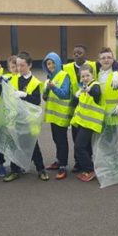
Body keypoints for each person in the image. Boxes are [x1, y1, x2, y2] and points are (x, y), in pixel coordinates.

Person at [3, 52, 49, 182]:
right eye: (17, 65)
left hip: (30, 121)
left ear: (29, 65)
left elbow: (36, 102)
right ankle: (15, 170)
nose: (19, 68)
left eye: (22, 65)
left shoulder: (35, 82)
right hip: (16, 119)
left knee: (33, 145)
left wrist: (24, 95)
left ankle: (41, 169)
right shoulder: (12, 79)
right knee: (15, 145)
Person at [63, 45, 97, 173]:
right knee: (75, 139)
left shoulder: (93, 65)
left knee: (84, 143)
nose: (77, 54)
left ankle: (88, 166)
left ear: (86, 54)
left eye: (80, 52)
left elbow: (112, 62)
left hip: (88, 112)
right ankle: (79, 163)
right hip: (75, 110)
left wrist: (116, 71)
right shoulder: (67, 67)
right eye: (75, 52)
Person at [69, 64, 103, 182]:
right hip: (82, 122)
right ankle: (87, 169)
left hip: (90, 124)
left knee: (79, 147)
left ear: (92, 75)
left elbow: (96, 93)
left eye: (87, 75)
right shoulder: (83, 87)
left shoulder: (95, 85)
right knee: (85, 147)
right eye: (82, 76)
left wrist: (89, 90)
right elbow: (73, 103)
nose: (85, 78)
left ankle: (90, 170)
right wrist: (77, 94)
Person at [42, 52, 72, 180]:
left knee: (61, 140)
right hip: (53, 115)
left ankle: (63, 166)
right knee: (56, 139)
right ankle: (58, 160)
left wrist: (53, 87)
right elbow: (45, 97)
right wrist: (46, 91)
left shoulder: (64, 75)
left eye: (53, 62)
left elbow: (64, 94)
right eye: (48, 63)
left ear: (58, 63)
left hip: (61, 115)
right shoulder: (49, 77)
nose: (51, 65)